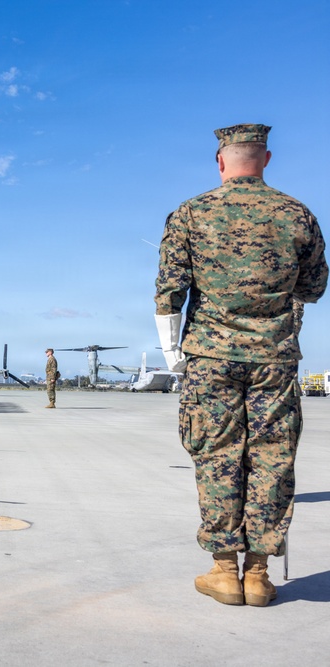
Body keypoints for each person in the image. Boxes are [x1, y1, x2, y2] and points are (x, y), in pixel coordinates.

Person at [155, 124, 328, 607]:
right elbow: (313, 288)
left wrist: (174, 356)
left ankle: (223, 570)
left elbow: (169, 291)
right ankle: (258, 574)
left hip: (211, 356)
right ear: (266, 159)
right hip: (274, 358)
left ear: (220, 160)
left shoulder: (191, 213)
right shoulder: (297, 215)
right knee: (272, 459)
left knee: (218, 455)